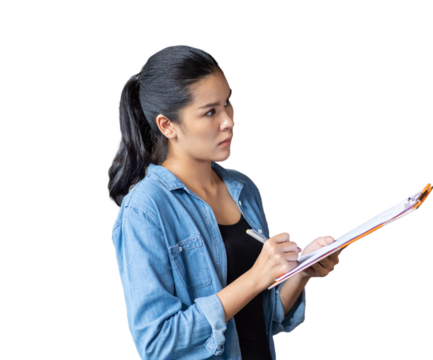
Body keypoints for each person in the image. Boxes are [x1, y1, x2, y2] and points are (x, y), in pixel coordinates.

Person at [108, 43, 341, 360]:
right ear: (167, 125)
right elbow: (158, 342)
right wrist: (257, 276)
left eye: (228, 103)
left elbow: (264, 319)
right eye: (210, 112)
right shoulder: (146, 209)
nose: (228, 120)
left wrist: (300, 272)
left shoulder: (243, 188)